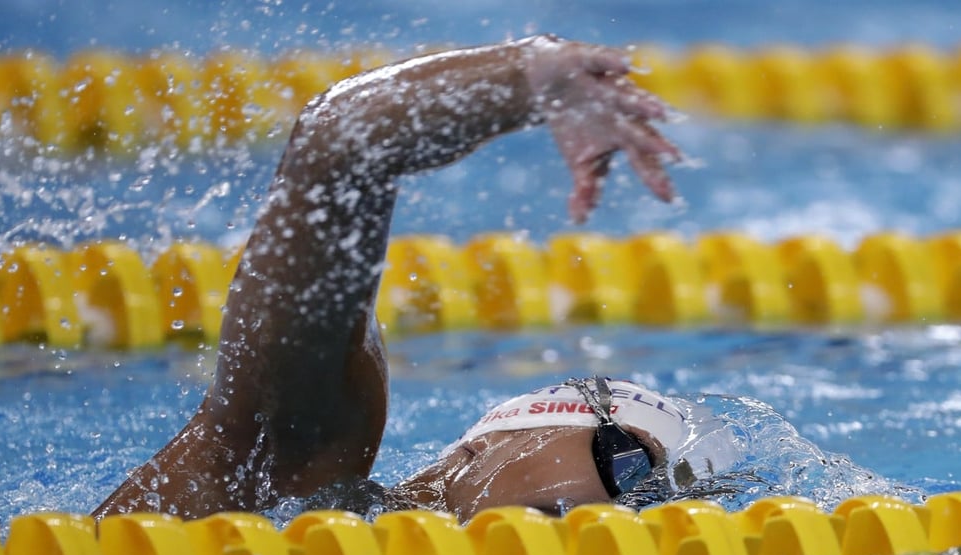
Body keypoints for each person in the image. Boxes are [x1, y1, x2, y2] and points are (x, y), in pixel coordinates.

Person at [92, 34, 688, 522]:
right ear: (483, 446)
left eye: (657, 507)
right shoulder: (287, 467)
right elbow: (343, 139)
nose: (625, 517)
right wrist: (531, 75)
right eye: (627, 464)